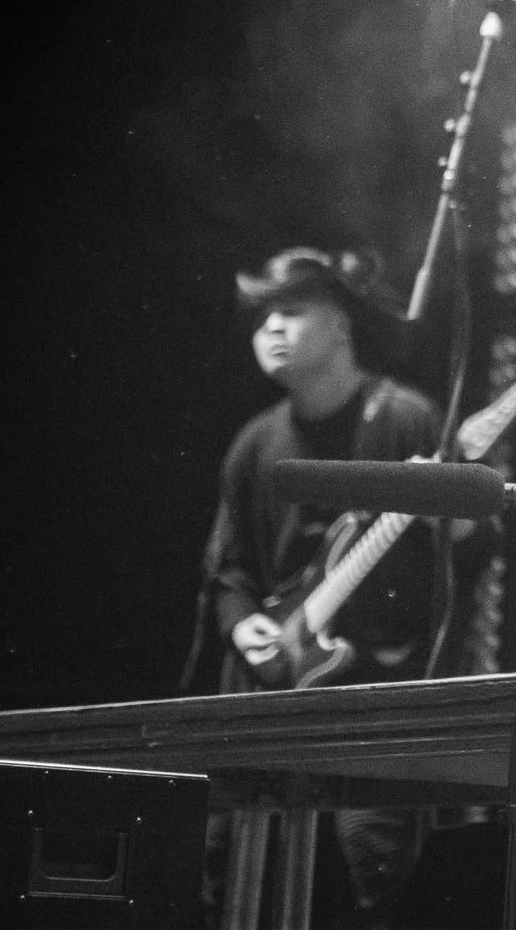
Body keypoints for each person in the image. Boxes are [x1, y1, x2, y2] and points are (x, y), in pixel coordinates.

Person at [191, 247, 445, 926]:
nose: (270, 329)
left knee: (374, 865)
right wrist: (242, 622)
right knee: (218, 863)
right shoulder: (255, 443)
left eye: (291, 312)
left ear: (340, 327)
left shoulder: (403, 420)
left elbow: (459, 564)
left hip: (370, 701)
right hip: (270, 686)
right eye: (263, 317)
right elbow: (228, 566)